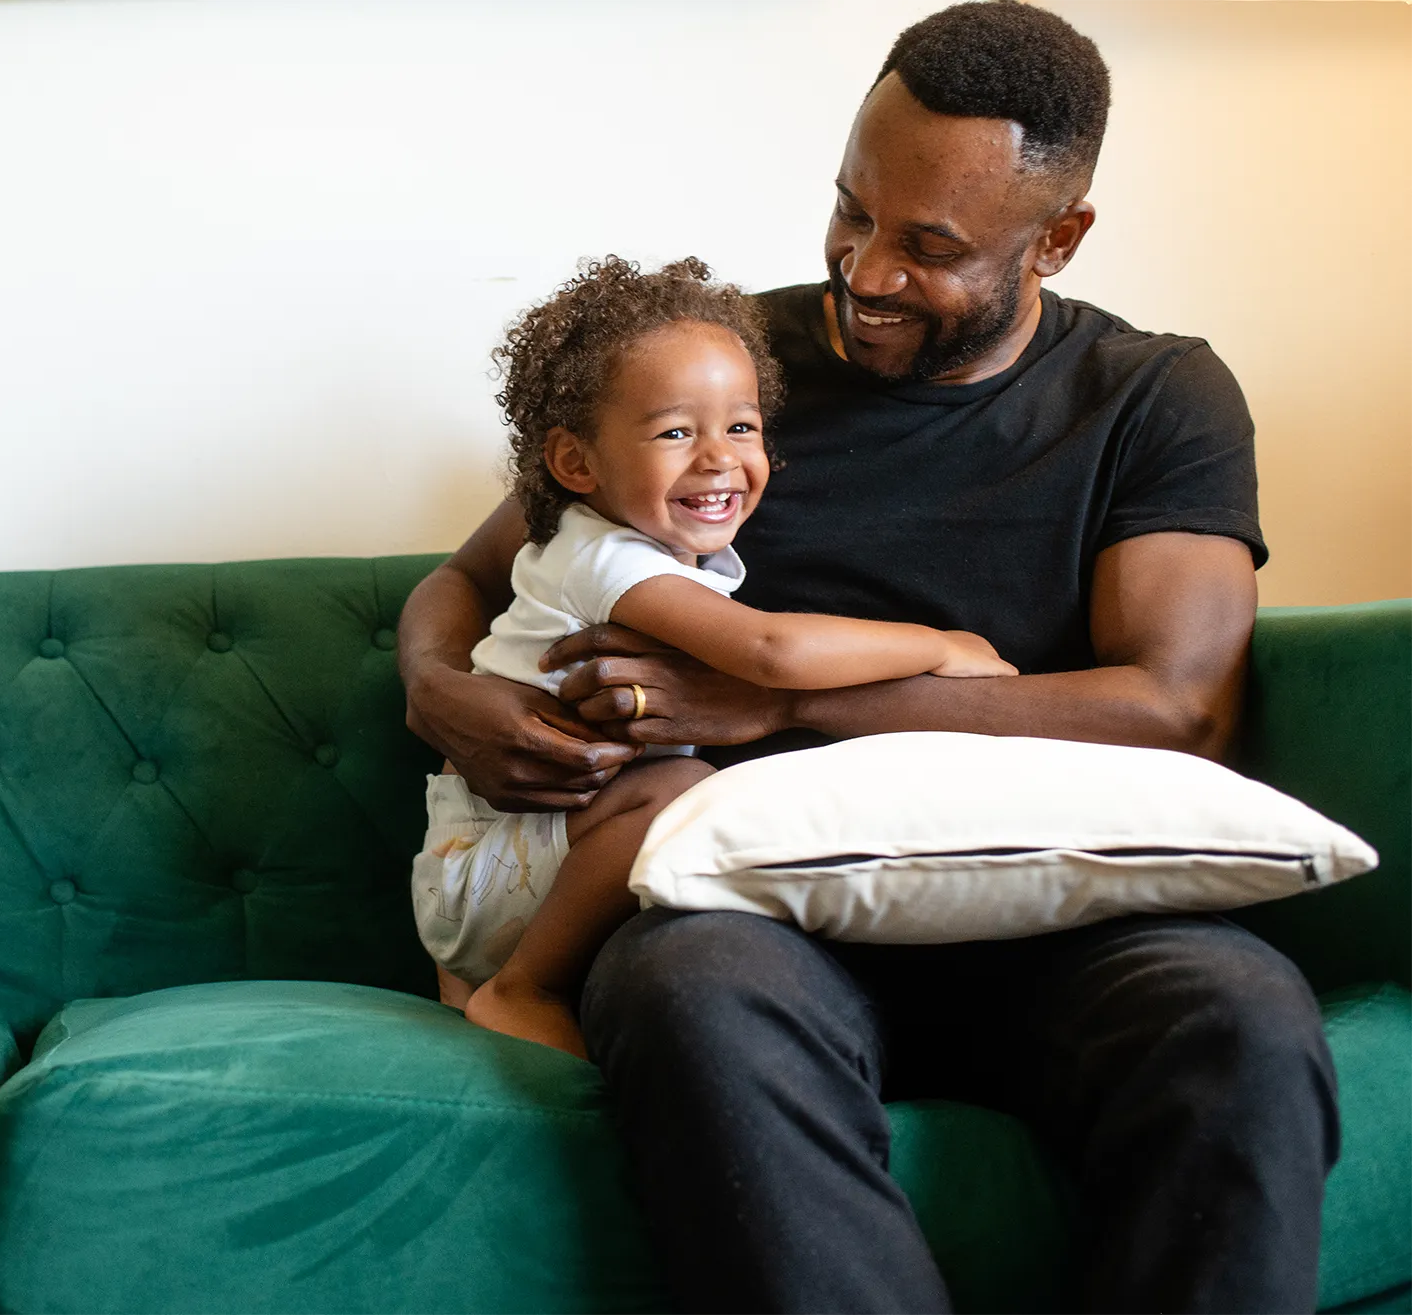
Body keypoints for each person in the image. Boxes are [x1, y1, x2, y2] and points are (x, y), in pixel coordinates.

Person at [395, 4, 1339, 1314]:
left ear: (1056, 237)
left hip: (1059, 910)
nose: (867, 268)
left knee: (1242, 1017)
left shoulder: (1152, 395)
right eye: (851, 211)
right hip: (754, 912)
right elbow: (466, 576)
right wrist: (438, 691)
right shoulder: (726, 370)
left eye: (931, 246)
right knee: (690, 994)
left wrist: (786, 697)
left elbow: (1174, 708)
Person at [415, 256, 1015, 1059]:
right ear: (576, 464)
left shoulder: (648, 549)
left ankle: (478, 981)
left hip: (511, 863)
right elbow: (770, 650)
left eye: (742, 426)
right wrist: (939, 645)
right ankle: (524, 986)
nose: (719, 457)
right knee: (684, 790)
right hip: (492, 873)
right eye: (675, 432)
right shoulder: (606, 558)